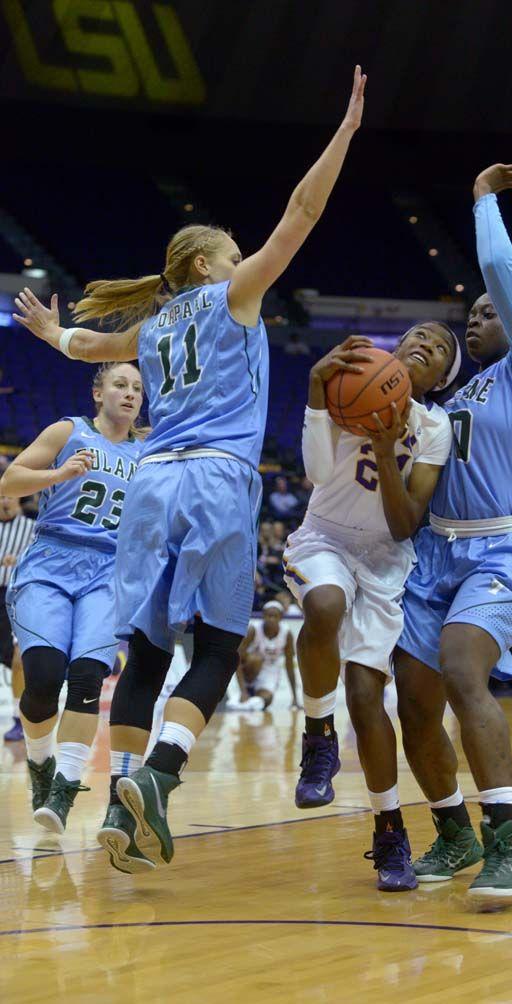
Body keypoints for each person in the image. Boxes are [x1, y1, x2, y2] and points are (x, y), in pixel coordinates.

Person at [13, 65, 367, 873]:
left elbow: (90, 348)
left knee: (144, 653)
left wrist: (48, 338)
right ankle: (162, 780)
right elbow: (302, 213)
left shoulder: (156, 321)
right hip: (212, 479)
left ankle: (122, 808)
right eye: (235, 253)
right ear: (210, 265)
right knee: (216, 647)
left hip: (150, 485)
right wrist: (344, 133)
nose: (248, 260)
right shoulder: (229, 297)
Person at [392, 162, 512, 899]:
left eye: (489, 311)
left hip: (498, 545)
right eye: (469, 314)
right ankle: (454, 835)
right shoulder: (451, 393)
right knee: (412, 699)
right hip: (432, 549)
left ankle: (509, 845)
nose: (476, 318)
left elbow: (500, 268)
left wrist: (481, 200)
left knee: (463, 667)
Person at [284, 322, 459, 891]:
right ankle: (317, 735)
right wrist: (316, 393)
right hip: (324, 539)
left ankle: (390, 831)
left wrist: (387, 452)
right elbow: (314, 473)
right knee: (326, 604)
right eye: (418, 336)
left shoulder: (433, 429)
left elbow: (405, 523)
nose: (424, 345)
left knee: (365, 694)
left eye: (438, 350)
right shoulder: (348, 385)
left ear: (438, 379)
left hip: (386, 559)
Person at [0, 364, 143, 833]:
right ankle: (41, 765)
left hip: (109, 570)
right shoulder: (69, 430)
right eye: (120, 384)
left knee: (86, 677)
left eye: (138, 388)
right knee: (42, 678)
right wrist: (59, 473)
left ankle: (64, 789)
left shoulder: (149, 452)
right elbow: (9, 482)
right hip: (52, 559)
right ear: (98, 391)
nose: (130, 394)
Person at [0, 494, 34, 741]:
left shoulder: (33, 527)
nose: (4, 501)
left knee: (19, 658)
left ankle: (19, 719)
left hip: (19, 596)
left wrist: (19, 560)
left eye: (8, 496)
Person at [227, 600, 299, 710]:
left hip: (269, 669)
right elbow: (237, 658)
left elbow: (289, 666)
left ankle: (251, 702)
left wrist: (295, 698)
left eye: (275, 616)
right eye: (269, 616)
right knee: (256, 659)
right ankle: (246, 692)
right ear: (263, 616)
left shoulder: (287, 634)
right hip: (249, 667)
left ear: (281, 617)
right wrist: (243, 691)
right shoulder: (253, 629)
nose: (271, 619)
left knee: (267, 699)